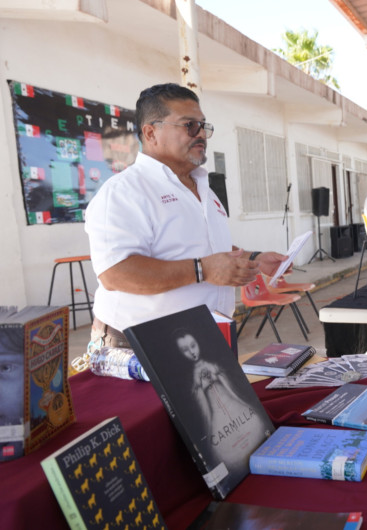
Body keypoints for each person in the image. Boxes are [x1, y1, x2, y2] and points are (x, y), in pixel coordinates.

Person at [85, 83, 286, 350]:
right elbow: (115, 273)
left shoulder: (203, 187)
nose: (201, 134)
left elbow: (206, 247)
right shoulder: (124, 192)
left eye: (203, 126)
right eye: (189, 125)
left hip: (204, 341)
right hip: (140, 348)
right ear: (150, 132)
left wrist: (254, 259)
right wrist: (203, 270)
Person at [174, 329, 267, 477]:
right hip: (216, 415)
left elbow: (230, 382)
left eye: (193, 346)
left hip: (234, 406)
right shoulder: (192, 377)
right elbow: (198, 401)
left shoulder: (212, 364)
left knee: (254, 425)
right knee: (224, 447)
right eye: (185, 350)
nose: (192, 352)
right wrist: (200, 386)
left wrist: (217, 375)